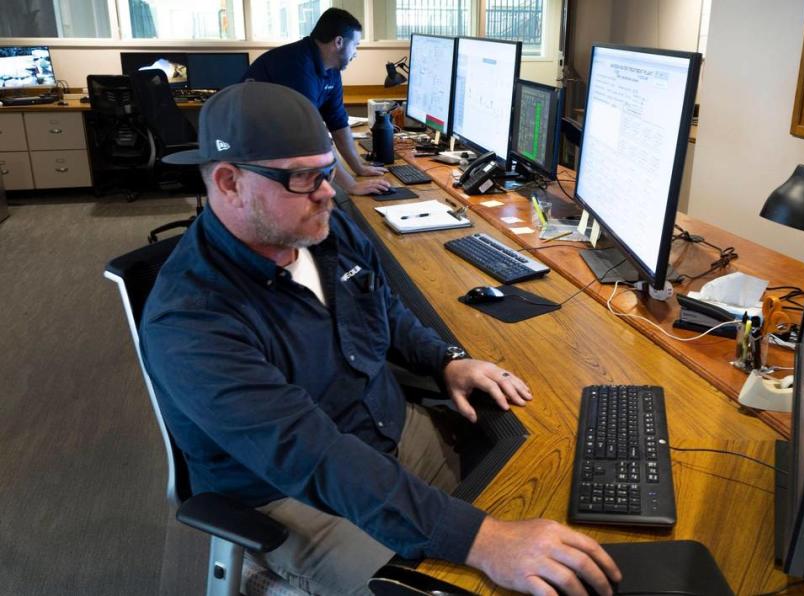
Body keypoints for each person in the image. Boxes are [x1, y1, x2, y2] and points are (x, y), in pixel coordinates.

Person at [146, 82, 620, 595]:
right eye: (305, 177)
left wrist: (446, 361)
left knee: (556, 516)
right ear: (229, 182)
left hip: (390, 430)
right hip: (298, 499)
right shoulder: (190, 321)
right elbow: (316, 456)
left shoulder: (323, 229)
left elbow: (383, 310)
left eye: (327, 170)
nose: (329, 190)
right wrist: (482, 539)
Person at [244, 8, 390, 196]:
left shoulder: (331, 68)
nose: (356, 53)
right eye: (356, 45)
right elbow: (311, 137)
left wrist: (359, 167)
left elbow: (337, 122)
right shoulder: (297, 67)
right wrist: (351, 185)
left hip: (275, 146)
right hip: (249, 150)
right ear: (338, 42)